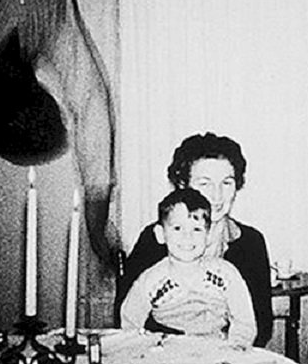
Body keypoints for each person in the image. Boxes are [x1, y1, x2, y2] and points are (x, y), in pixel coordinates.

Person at [115, 132, 273, 346]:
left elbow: (261, 326)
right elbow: (127, 318)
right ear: (183, 185)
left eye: (227, 183)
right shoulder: (156, 239)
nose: (217, 195)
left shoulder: (251, 243)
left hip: (226, 355)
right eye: (205, 184)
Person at [120, 188, 257, 347]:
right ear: (160, 234)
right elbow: (129, 325)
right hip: (168, 351)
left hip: (217, 349)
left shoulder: (227, 274)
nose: (187, 237)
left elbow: (244, 322)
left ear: (208, 235)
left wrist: (236, 348)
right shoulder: (149, 280)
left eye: (197, 229)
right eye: (177, 228)